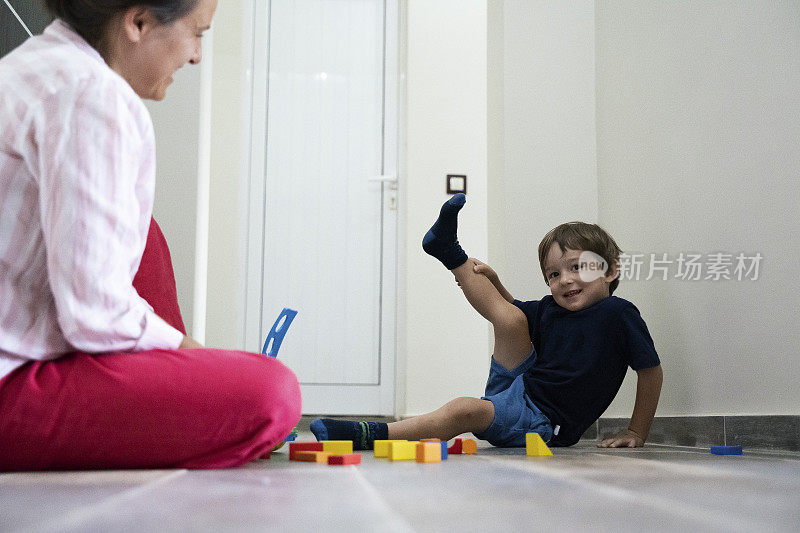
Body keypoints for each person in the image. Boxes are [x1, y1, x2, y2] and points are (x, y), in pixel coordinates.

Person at [0, 0, 301, 471]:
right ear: (137, 23)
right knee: (272, 392)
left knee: (150, 241)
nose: (198, 56)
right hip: (11, 390)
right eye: (197, 34)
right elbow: (94, 313)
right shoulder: (92, 93)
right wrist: (195, 357)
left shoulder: (35, 67)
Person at [311, 193, 663, 449]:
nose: (565, 280)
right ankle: (448, 250)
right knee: (510, 320)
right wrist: (493, 283)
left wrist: (636, 430)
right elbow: (510, 311)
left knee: (464, 409)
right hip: (519, 388)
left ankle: (365, 434)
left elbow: (650, 371)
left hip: (540, 422)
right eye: (554, 274)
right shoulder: (553, 309)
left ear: (611, 269)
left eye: (577, 267)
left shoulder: (619, 314)